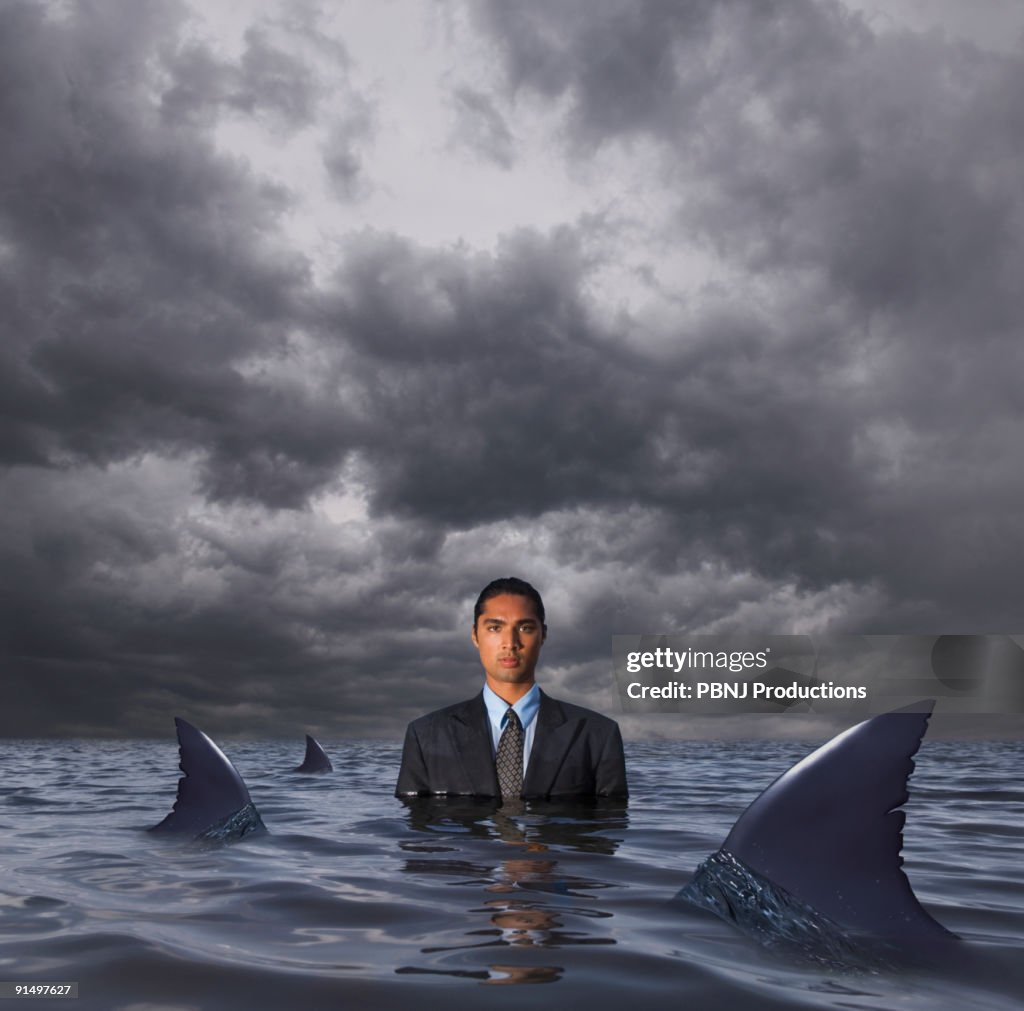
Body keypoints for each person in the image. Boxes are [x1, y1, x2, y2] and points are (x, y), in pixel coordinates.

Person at [395, 577, 628, 800]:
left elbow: (608, 831)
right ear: (475, 635)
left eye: (525, 628)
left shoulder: (598, 736)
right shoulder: (425, 736)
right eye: (495, 628)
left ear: (543, 635)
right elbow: (415, 832)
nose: (510, 642)